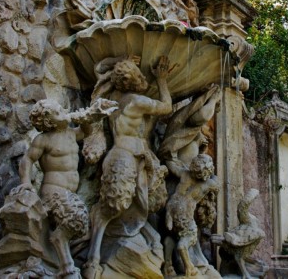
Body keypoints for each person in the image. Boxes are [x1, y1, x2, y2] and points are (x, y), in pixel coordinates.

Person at [82, 56, 172, 279]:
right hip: (126, 157)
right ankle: (93, 258)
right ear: (131, 81)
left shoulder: (112, 98)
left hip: (126, 155)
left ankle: (99, 257)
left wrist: (120, 60)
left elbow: (98, 66)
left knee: (124, 205)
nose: (142, 78)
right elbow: (167, 107)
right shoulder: (136, 101)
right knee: (112, 207)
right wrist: (161, 80)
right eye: (138, 75)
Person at [19, 98, 118, 278]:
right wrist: (26, 183)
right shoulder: (43, 139)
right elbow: (27, 159)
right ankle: (66, 266)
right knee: (76, 219)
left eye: (62, 109)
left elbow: (86, 131)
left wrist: (92, 115)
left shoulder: (70, 133)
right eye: (58, 113)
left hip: (69, 193)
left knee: (80, 225)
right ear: (49, 122)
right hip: (53, 190)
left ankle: (62, 256)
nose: (63, 112)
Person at [165, 154, 220, 277]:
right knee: (187, 239)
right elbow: (217, 185)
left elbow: (172, 166)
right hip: (183, 213)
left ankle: (168, 264)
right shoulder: (207, 183)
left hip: (172, 210)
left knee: (172, 235)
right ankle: (189, 267)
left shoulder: (185, 174)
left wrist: (170, 158)